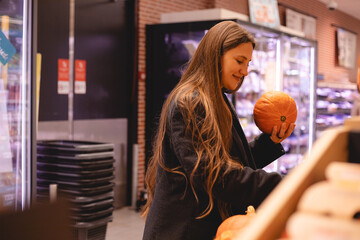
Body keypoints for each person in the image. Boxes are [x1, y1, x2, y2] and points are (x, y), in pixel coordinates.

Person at [142, 20, 296, 240]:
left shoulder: (217, 99)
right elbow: (212, 173)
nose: (245, 71)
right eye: (239, 61)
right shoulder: (190, 102)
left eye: (248, 62)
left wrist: (269, 143)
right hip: (181, 230)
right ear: (216, 55)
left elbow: (230, 160)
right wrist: (281, 185)